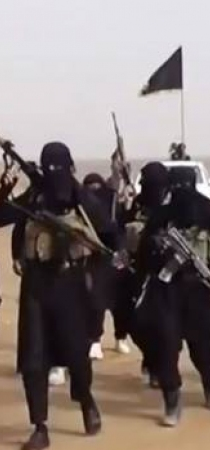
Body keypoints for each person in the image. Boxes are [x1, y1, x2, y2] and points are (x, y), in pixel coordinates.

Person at [0, 142, 116, 450]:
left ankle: (85, 400)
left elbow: (111, 236)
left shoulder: (82, 199)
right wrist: (6, 188)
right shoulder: (34, 197)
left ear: (71, 168)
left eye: (59, 167)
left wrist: (99, 275)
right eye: (49, 168)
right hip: (36, 285)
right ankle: (39, 426)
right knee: (33, 359)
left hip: (71, 285)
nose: (54, 174)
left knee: (77, 355)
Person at [133, 165, 210, 426]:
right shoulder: (161, 217)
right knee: (165, 346)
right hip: (167, 289)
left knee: (203, 346)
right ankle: (172, 398)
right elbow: (143, 255)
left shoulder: (207, 212)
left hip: (200, 289)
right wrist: (158, 251)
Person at [117, 163, 171, 389]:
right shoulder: (137, 204)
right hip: (137, 271)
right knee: (135, 322)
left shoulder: (172, 206)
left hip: (167, 273)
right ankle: (151, 360)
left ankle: (160, 368)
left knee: (163, 326)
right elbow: (120, 227)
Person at [82, 173, 130, 359]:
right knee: (96, 302)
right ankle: (95, 340)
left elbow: (122, 226)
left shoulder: (113, 202)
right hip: (94, 257)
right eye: (90, 188)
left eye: (97, 187)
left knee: (120, 303)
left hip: (116, 257)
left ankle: (120, 337)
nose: (95, 191)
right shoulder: (83, 205)